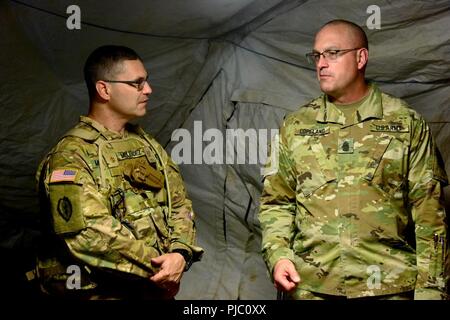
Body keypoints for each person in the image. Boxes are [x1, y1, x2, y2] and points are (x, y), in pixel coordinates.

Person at [259, 19, 449, 300]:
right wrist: (278, 256)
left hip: (389, 288)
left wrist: (431, 291)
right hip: (310, 288)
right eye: (317, 55)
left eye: (333, 53)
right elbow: (277, 203)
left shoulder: (405, 124)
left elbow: (429, 215)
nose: (321, 63)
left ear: (361, 57)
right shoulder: (296, 126)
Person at [34, 45, 203, 299]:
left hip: (151, 290)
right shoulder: (70, 156)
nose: (148, 90)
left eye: (146, 81)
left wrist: (180, 253)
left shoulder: (146, 144)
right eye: (137, 83)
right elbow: (89, 233)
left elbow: (178, 202)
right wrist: (161, 266)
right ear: (104, 89)